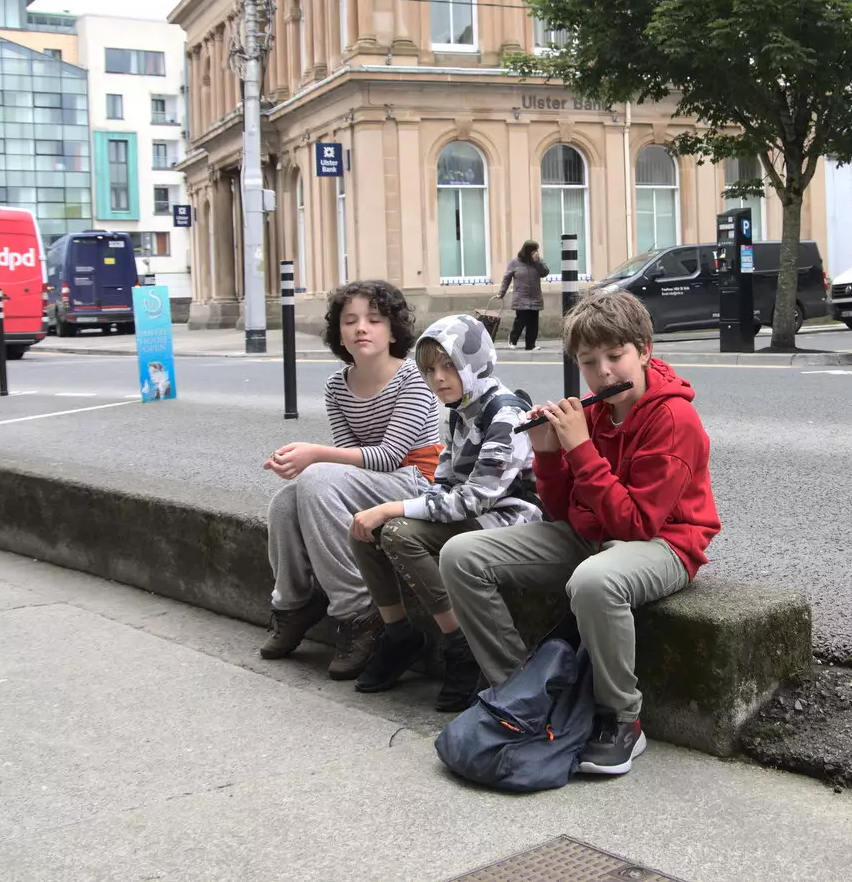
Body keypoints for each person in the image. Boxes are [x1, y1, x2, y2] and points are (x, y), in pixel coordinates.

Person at [440, 289, 720, 776]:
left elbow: (635, 524)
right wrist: (549, 452)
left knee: (594, 581)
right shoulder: (591, 411)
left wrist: (582, 450)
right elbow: (561, 511)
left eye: (616, 356)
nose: (605, 373)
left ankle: (622, 720)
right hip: (592, 535)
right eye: (590, 363)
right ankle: (519, 690)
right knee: (461, 555)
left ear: (644, 352)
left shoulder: (675, 419)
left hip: (666, 543)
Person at [347, 315, 542, 711]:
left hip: (512, 522)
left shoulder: (505, 415)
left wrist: (393, 508)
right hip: (473, 514)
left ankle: (460, 645)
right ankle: (399, 634)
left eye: (449, 364)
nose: (439, 378)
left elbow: (475, 499)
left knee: (395, 530)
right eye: (430, 369)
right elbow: (445, 479)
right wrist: (393, 512)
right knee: (369, 530)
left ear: (475, 360)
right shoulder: (461, 409)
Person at [260, 280, 444, 680]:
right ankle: (293, 604)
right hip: (372, 482)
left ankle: (359, 613)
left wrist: (314, 456)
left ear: (392, 330)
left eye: (374, 320)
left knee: (316, 477)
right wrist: (299, 463)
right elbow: (349, 467)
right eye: (351, 320)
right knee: (285, 500)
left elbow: (389, 456)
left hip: (417, 481)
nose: (362, 327)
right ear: (339, 334)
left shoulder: (414, 378)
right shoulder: (336, 386)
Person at [497, 240, 548, 351]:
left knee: (533, 323)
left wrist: (538, 261)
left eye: (536, 250)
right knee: (521, 320)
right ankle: (512, 339)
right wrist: (501, 292)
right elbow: (506, 278)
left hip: (535, 296)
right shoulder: (515, 262)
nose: (535, 252)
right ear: (527, 250)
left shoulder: (537, 261)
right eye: (533, 250)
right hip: (521, 297)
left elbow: (544, 273)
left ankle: (530, 345)